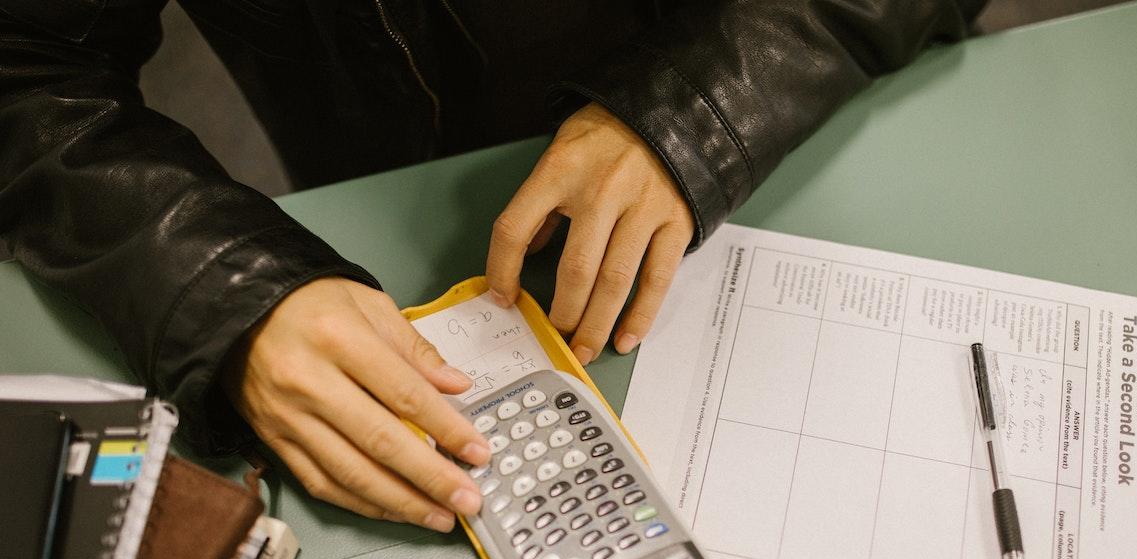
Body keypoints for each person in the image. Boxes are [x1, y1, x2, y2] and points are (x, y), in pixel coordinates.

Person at [0, 0, 984, 530]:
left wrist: (697, 107)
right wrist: (223, 290)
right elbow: (25, 63)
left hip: (801, 127)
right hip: (382, 217)